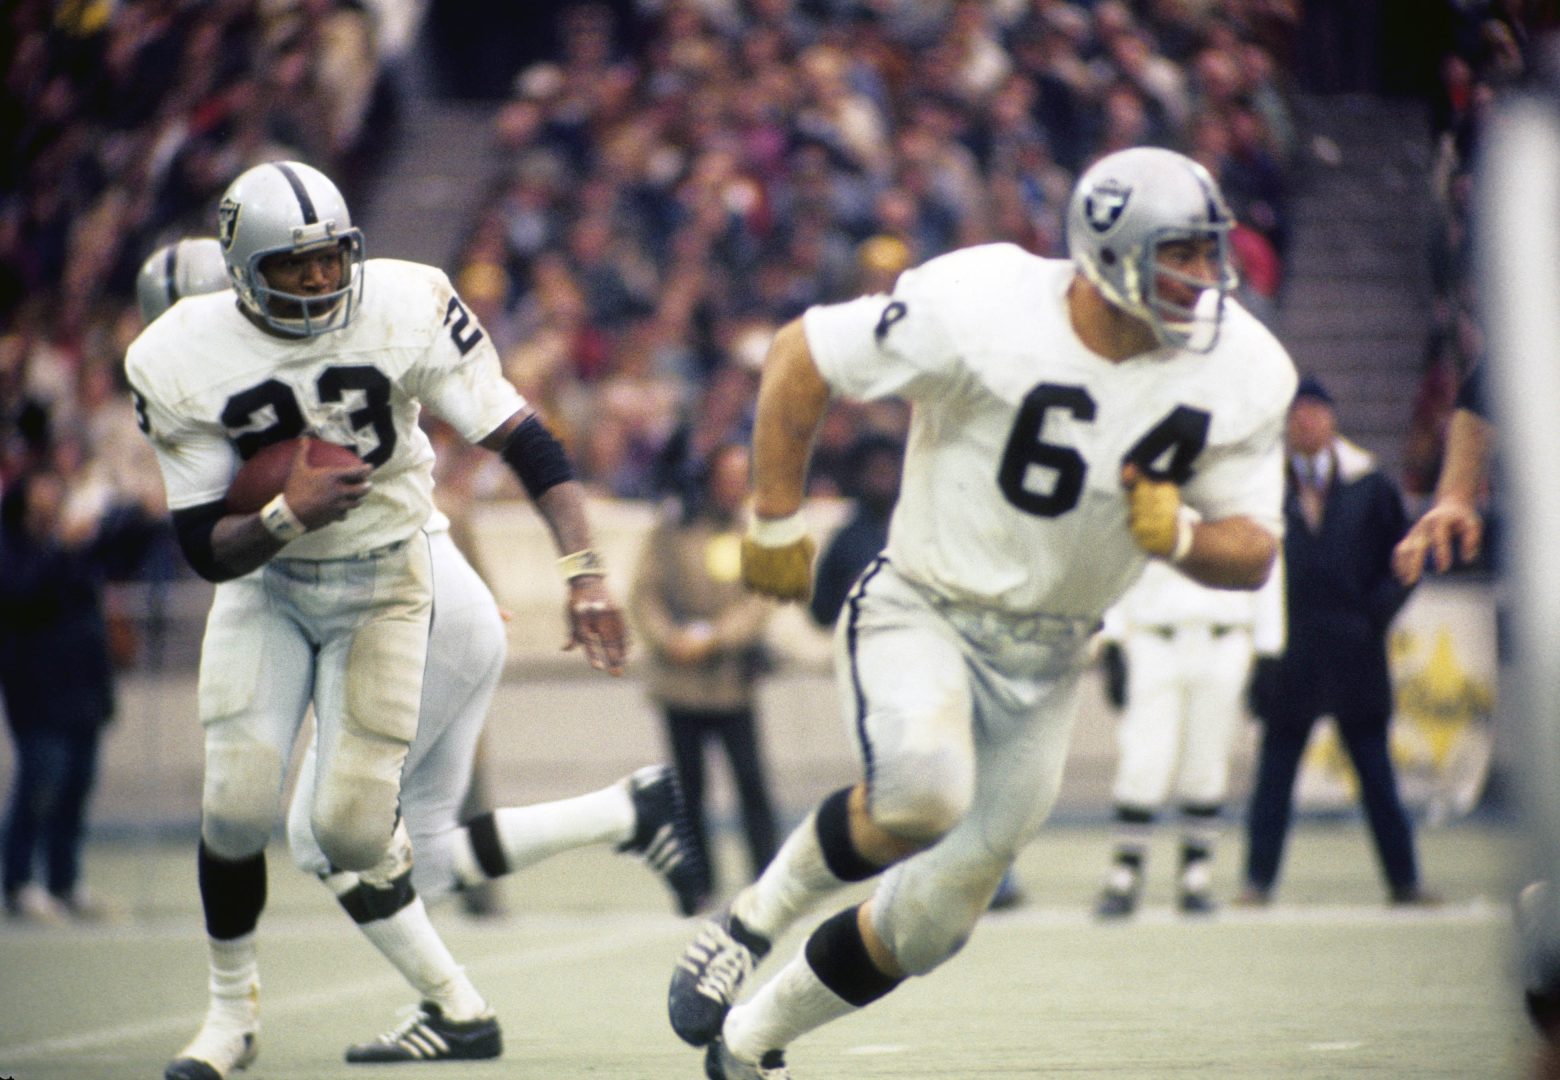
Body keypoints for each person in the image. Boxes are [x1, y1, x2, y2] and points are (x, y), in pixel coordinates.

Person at [666, 146, 1297, 1080]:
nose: (1205, 278)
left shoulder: (1241, 365)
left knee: (928, 927)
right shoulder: (984, 305)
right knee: (922, 793)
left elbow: (1253, 547)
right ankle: (749, 919)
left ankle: (753, 1042)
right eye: (1182, 254)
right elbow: (803, 352)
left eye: (1209, 253)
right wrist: (774, 515)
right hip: (926, 606)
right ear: (1108, 255)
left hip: (1052, 659)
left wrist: (1182, 541)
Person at [124, 162, 706, 1080]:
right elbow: (205, 548)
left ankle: (462, 982)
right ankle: (230, 1019)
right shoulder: (174, 357)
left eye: (330, 262)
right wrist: (286, 515)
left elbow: (525, 437)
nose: (320, 283)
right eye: (295, 268)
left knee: (354, 838)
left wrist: (584, 571)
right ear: (241, 273)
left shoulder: (407, 302)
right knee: (236, 810)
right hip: (267, 589)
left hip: (390, 580)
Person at [1239, 376, 1434, 908]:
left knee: (1376, 774)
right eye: (1296, 412)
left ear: (1331, 417)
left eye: (1314, 410)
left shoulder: (1369, 484)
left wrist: (1375, 615)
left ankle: (1404, 880)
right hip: (1291, 650)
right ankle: (1257, 881)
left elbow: (1409, 558)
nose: (1305, 420)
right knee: (1274, 777)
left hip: (1354, 649)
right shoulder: (1265, 486)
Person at [1092, 556, 1284, 917]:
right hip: (1153, 638)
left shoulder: (1239, 497)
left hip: (1224, 638)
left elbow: (1266, 557)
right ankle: (1125, 872)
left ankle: (1196, 874)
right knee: (1143, 759)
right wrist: (1113, 638)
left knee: (1207, 760)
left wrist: (1269, 646)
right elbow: (1118, 554)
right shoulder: (1149, 495)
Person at [630, 442, 780, 900]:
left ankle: (770, 880)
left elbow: (761, 598)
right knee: (688, 790)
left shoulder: (751, 531)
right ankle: (699, 883)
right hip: (681, 684)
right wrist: (669, 638)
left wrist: (717, 637)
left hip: (731, 681)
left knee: (752, 784)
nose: (736, 485)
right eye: (728, 475)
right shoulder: (672, 530)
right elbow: (644, 594)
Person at [0, 467, 120, 924]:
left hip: (83, 688)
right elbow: (21, 593)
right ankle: (17, 882)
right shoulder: (13, 548)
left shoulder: (75, 545)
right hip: (37, 689)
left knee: (75, 788)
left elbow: (120, 549)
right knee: (39, 786)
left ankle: (64, 881)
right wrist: (64, 551)